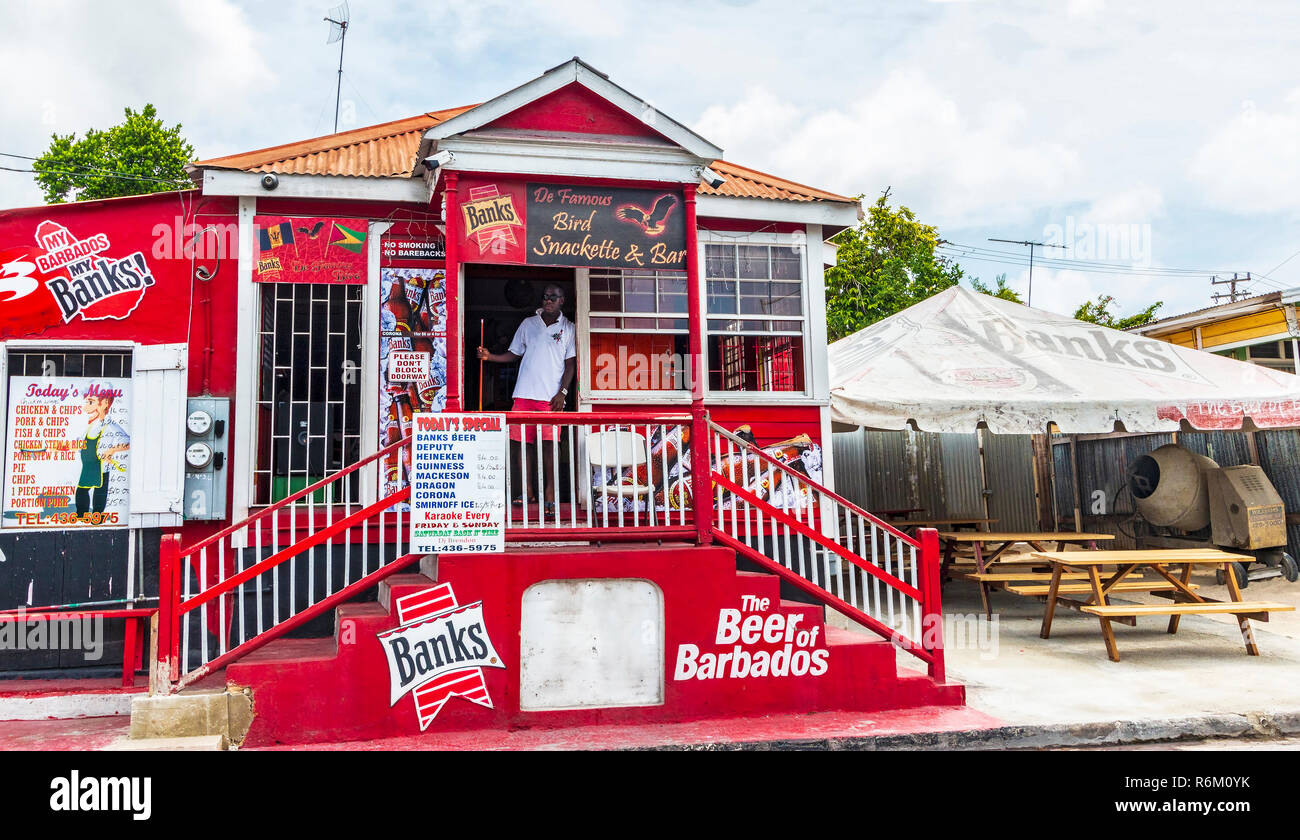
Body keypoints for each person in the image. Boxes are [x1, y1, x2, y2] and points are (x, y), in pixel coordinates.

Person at [477, 284, 576, 512]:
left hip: (550, 398)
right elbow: (514, 354)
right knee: (522, 446)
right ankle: (527, 491)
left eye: (553, 297)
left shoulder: (569, 328)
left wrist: (562, 393)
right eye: (545, 297)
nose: (548, 300)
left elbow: (570, 365)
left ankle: (550, 493)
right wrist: (490, 356)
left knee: (550, 446)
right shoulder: (528, 324)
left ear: (562, 301)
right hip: (523, 394)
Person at [75, 385, 129, 518]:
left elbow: (127, 442)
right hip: (88, 467)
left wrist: (112, 450)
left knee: (99, 493)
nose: (87, 405)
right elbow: (79, 442)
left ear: (105, 403)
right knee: (81, 491)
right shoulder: (91, 425)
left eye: (91, 401)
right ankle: (81, 516)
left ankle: (97, 518)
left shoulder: (111, 426)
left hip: (101, 467)